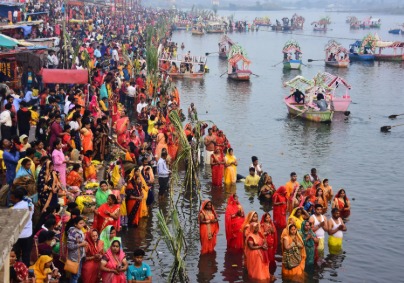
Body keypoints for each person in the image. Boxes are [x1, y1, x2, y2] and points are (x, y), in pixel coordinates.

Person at [66, 216, 87, 283]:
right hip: (74, 257)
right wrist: (81, 244)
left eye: (83, 223)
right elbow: (70, 246)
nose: (82, 224)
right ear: (75, 224)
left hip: (79, 256)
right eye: (80, 223)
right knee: (75, 275)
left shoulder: (79, 230)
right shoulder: (73, 233)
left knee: (77, 274)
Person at [260, 212, 278, 277]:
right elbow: (261, 234)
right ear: (264, 219)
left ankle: (271, 271)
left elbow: (274, 233)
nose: (268, 219)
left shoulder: (272, 224)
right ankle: (265, 271)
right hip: (266, 245)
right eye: (267, 218)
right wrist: (267, 232)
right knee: (266, 258)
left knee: (271, 258)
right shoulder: (262, 225)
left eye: (269, 217)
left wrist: (272, 230)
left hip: (271, 245)